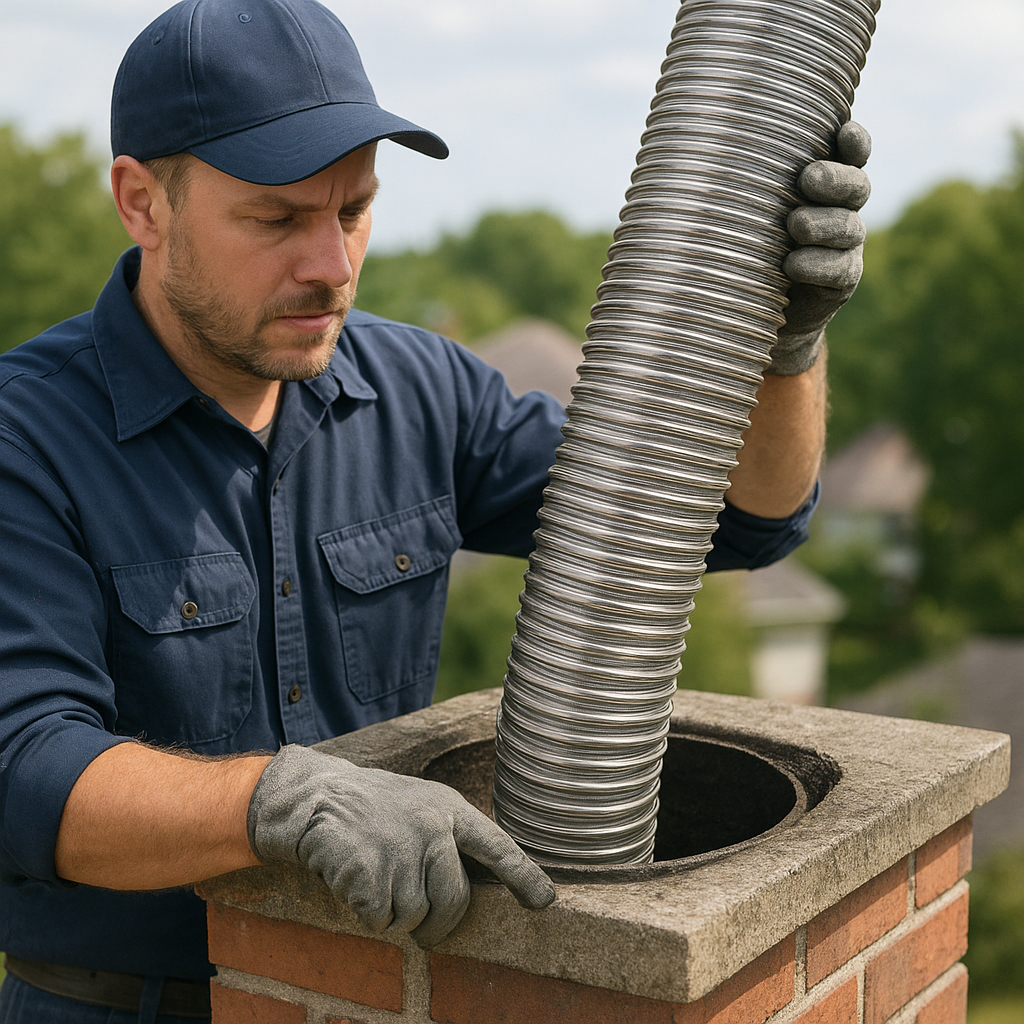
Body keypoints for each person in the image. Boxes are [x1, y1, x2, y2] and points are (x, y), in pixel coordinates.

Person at [0, 1, 871, 1020]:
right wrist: (275, 802)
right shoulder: (28, 440)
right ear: (141, 201)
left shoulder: (421, 390)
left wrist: (781, 348)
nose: (329, 265)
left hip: (382, 994)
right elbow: (22, 767)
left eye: (354, 210)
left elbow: (737, 519)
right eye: (276, 219)